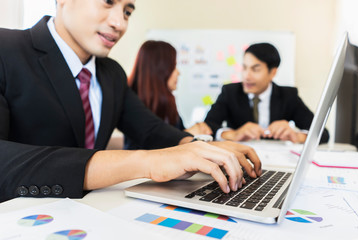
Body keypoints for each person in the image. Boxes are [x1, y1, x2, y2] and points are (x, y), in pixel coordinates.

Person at [0, 0, 261, 203]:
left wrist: (204, 149)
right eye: (108, 2)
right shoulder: (6, 48)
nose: (120, 23)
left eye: (127, 11)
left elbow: (150, 129)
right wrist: (149, 162)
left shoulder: (111, 73)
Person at [205, 43, 329, 144]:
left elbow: (322, 132)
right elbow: (208, 126)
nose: (246, 76)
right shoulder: (230, 92)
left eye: (255, 69)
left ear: (273, 72)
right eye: (245, 68)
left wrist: (296, 136)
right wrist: (234, 134)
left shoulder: (288, 95)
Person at [126, 40, 212, 149]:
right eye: (174, 66)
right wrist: (187, 133)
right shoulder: (133, 105)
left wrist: (195, 129)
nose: (178, 72)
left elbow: (178, 132)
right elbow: (145, 148)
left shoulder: (168, 101)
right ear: (159, 69)